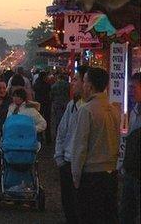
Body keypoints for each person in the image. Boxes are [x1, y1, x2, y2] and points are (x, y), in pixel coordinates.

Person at [71, 67, 120, 223]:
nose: (83, 85)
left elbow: (80, 147)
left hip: (91, 175)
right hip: (111, 173)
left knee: (90, 216)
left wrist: (75, 176)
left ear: (90, 86)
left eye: (84, 81)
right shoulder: (114, 110)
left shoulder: (86, 110)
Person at [54, 68, 84, 224]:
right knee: (68, 204)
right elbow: (61, 131)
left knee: (79, 205)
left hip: (81, 165)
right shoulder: (71, 105)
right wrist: (59, 157)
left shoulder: (88, 109)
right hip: (66, 161)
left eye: (76, 79)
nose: (72, 83)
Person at [120, 71, 141, 224]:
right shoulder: (134, 111)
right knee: (126, 212)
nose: (131, 91)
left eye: (134, 87)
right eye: (130, 88)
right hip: (130, 171)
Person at [50, 72, 71, 142]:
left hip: (57, 103)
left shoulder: (54, 85)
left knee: (57, 119)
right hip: (66, 102)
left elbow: (51, 95)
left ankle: (58, 134)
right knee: (66, 119)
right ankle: (65, 134)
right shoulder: (68, 85)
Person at [33, 70, 53, 141]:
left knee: (38, 121)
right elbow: (50, 94)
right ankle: (48, 137)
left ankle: (39, 137)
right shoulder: (47, 85)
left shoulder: (36, 84)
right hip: (47, 103)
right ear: (44, 77)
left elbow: (34, 93)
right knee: (47, 120)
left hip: (39, 104)